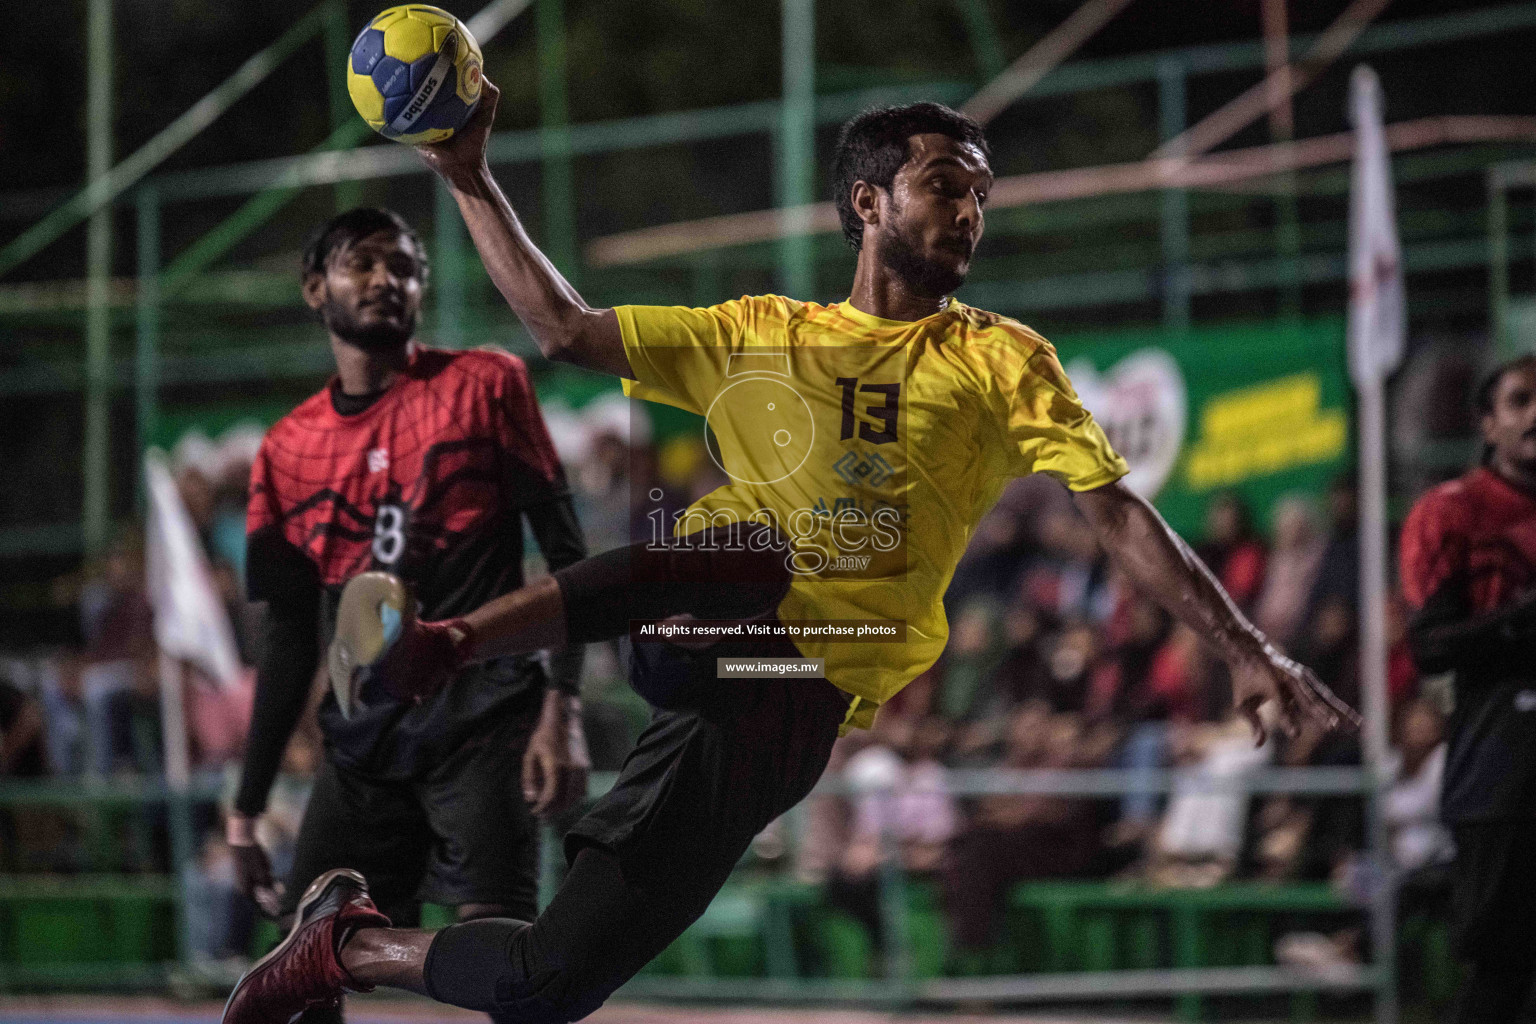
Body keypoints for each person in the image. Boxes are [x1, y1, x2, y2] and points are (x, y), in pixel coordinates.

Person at [222, 83, 1354, 1024]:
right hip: (697, 620)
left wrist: (1246, 644)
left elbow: (1117, 516)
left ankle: (345, 944)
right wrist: (467, 173)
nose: (971, 211)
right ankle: (443, 642)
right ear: (868, 202)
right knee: (742, 545)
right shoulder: (763, 333)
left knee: (547, 980)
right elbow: (563, 327)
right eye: (946, 186)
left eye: (982, 195)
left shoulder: (1007, 362)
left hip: (795, 693)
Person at [224, 207, 590, 1023]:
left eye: (406, 266)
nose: (388, 279)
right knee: (299, 970)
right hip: (362, 742)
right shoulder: (284, 451)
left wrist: (561, 710)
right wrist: (246, 809)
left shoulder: (488, 383)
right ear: (316, 287)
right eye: (363, 263)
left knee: (511, 966)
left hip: (487, 717)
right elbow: (287, 641)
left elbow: (570, 562)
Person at [1400, 354, 1536, 1024]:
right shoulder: (1453, 512)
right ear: (1488, 422)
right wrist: (1520, 621)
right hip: (1502, 770)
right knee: (1502, 971)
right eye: (1521, 400)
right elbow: (1430, 647)